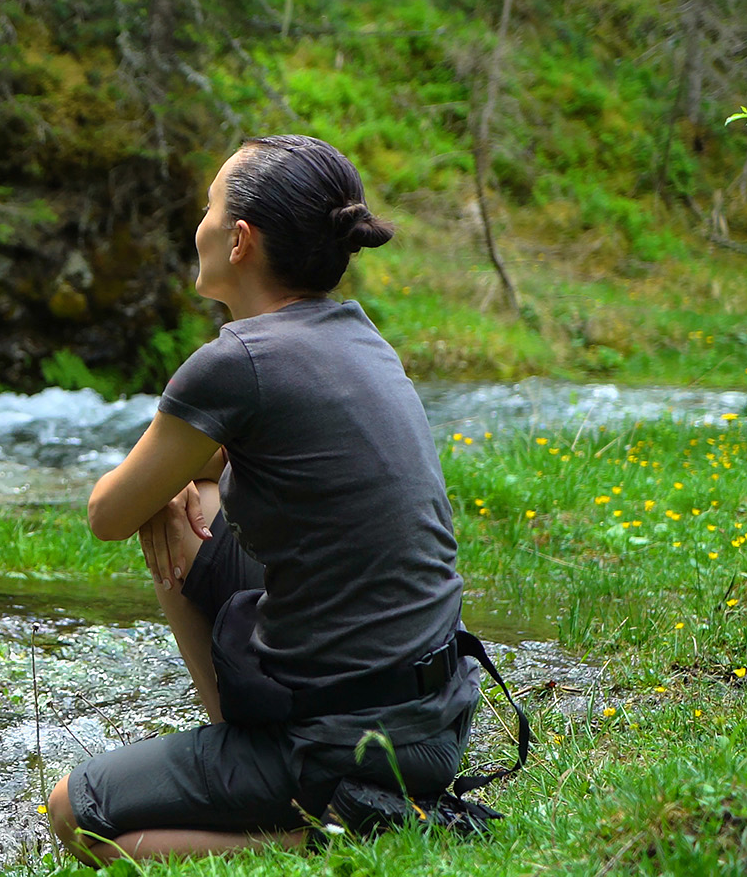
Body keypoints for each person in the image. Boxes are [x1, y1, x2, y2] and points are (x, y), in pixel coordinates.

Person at [44, 135, 480, 863]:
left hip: (350, 747)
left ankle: (302, 834)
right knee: (190, 498)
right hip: (435, 725)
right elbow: (240, 453)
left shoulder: (234, 362)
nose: (201, 223)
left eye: (210, 207)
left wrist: (167, 482)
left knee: (74, 814)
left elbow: (107, 513)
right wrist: (188, 475)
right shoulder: (357, 333)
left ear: (239, 240)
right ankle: (270, 769)